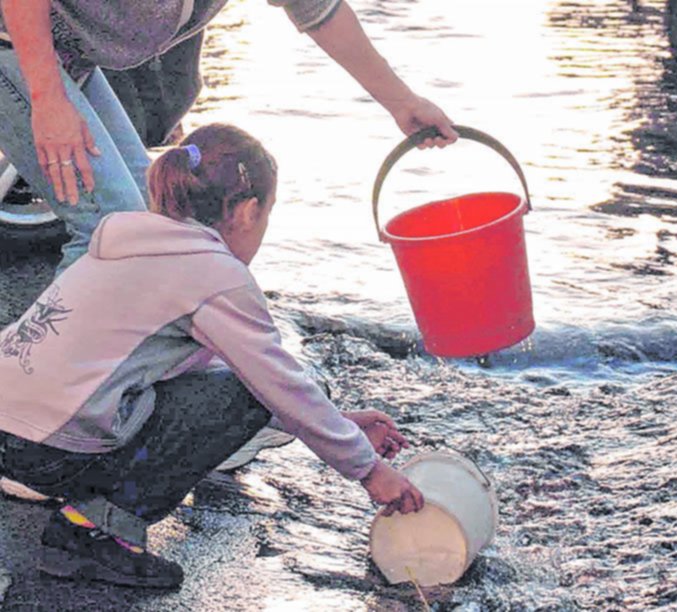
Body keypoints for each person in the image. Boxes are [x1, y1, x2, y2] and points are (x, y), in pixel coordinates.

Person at [0, 123, 424, 589]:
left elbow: (212, 390)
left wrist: (340, 424)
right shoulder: (215, 274)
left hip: (12, 429)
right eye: (267, 217)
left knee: (229, 385)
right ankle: (93, 532)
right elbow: (274, 385)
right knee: (249, 389)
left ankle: (85, 523)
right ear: (247, 211)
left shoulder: (128, 237)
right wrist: (368, 469)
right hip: (48, 448)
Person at [0, 0, 457, 274]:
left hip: (63, 52)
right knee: (112, 228)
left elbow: (319, 12)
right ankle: (45, 408)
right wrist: (48, 99)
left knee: (155, 217)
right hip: (13, 39)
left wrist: (401, 102)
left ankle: (136, 372)